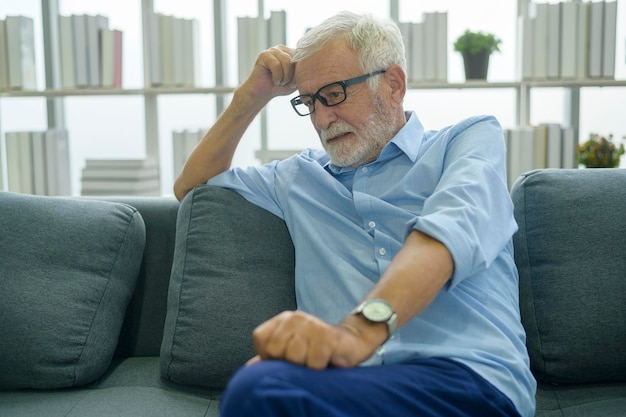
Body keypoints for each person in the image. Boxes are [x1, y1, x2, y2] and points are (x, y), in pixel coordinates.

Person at [174, 11, 536, 417]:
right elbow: (191, 187)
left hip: (468, 380)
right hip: (346, 388)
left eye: (333, 94)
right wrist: (250, 97)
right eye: (308, 102)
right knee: (260, 387)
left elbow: (449, 232)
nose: (321, 118)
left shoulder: (467, 141)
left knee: (259, 389)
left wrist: (354, 333)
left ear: (394, 84)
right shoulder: (296, 177)